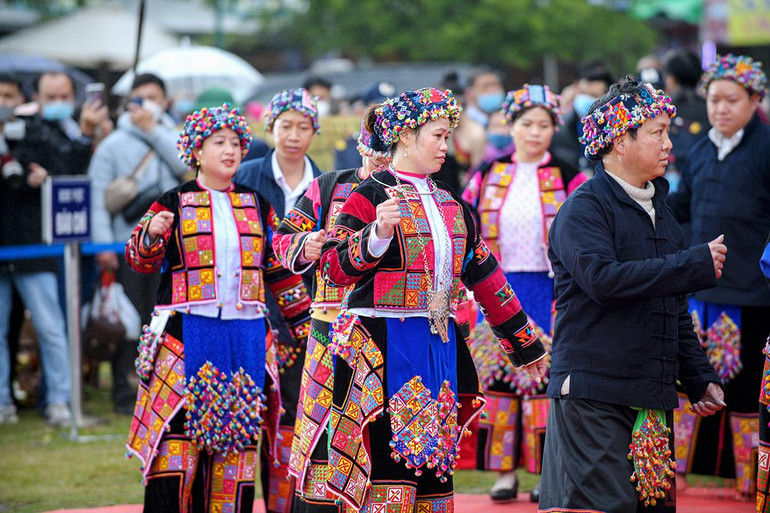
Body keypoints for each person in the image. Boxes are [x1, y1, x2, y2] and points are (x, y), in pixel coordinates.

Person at [317, 87, 546, 511]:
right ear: (405, 136)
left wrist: (524, 343)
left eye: (447, 137)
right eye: (437, 137)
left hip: (436, 345)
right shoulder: (368, 195)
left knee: (433, 471)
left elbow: (486, 275)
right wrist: (375, 237)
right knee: (389, 468)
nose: (446, 146)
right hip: (381, 346)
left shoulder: (451, 205)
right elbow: (332, 267)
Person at [540, 78, 727, 512]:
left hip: (650, 393)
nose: (668, 143)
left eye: (667, 131)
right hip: (594, 395)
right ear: (620, 141)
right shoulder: (583, 209)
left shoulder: (661, 209)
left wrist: (698, 375)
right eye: (657, 132)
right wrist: (691, 264)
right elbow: (604, 280)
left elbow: (673, 307)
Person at [124, 104, 312, 513]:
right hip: (184, 336)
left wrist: (308, 327)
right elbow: (138, 260)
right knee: (177, 448)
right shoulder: (173, 201)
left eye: (235, 143)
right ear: (196, 149)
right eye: (218, 142)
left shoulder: (257, 204)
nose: (229, 150)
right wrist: (150, 235)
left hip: (244, 339)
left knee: (237, 451)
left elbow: (278, 269)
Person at [462, 84, 584, 503]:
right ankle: (502, 472)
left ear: (554, 128)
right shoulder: (489, 172)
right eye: (527, 124)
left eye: (544, 125)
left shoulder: (571, 174)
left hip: (548, 288)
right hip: (496, 287)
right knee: (497, 380)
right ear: (510, 126)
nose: (535, 132)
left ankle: (543, 473)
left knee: (543, 381)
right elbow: (464, 227)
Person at [272, 112, 392, 512]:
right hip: (331, 329)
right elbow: (282, 237)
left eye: (389, 154)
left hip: (389, 329)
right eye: (376, 154)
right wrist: (304, 245)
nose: (383, 163)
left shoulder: (414, 191)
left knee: (382, 431)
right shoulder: (329, 186)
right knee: (326, 429)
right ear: (361, 146)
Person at [667, 54, 770, 499]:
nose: (721, 109)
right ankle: (680, 471)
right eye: (714, 100)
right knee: (691, 379)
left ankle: (752, 478)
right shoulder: (699, 150)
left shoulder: (766, 149)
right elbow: (683, 207)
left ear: (754, 100)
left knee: (746, 389)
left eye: (731, 100)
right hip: (700, 291)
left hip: (752, 293)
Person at [0, 71, 108, 427]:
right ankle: (3, 402)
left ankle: (60, 401)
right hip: (6, 247)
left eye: (9, 96)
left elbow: (70, 168)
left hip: (34, 248)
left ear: (23, 98)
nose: (5, 104)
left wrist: (40, 177)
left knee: (51, 327)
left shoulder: (39, 131)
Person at [235, 87, 323, 513]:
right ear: (269, 128)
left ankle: (285, 503)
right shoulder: (246, 178)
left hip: (305, 312)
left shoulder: (326, 182)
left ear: (314, 132)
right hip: (252, 305)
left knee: (293, 409)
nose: (293, 135)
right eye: (285, 126)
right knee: (247, 407)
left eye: (302, 127)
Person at [88, 73, 189, 414]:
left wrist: (153, 130)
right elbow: (97, 198)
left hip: (171, 247)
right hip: (126, 246)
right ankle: (121, 390)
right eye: (139, 98)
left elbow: (183, 164)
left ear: (165, 103)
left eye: (153, 98)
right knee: (129, 319)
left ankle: (163, 387)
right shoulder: (113, 145)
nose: (146, 105)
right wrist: (103, 246)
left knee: (163, 317)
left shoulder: (172, 137)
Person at [550, 61, 614, 175]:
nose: (588, 100)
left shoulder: (614, 131)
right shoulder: (559, 130)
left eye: (594, 97)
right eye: (584, 94)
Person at [452, 67, 506, 170]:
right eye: (486, 86)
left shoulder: (506, 119)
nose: (493, 90)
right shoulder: (459, 121)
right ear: (469, 93)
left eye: (496, 85)